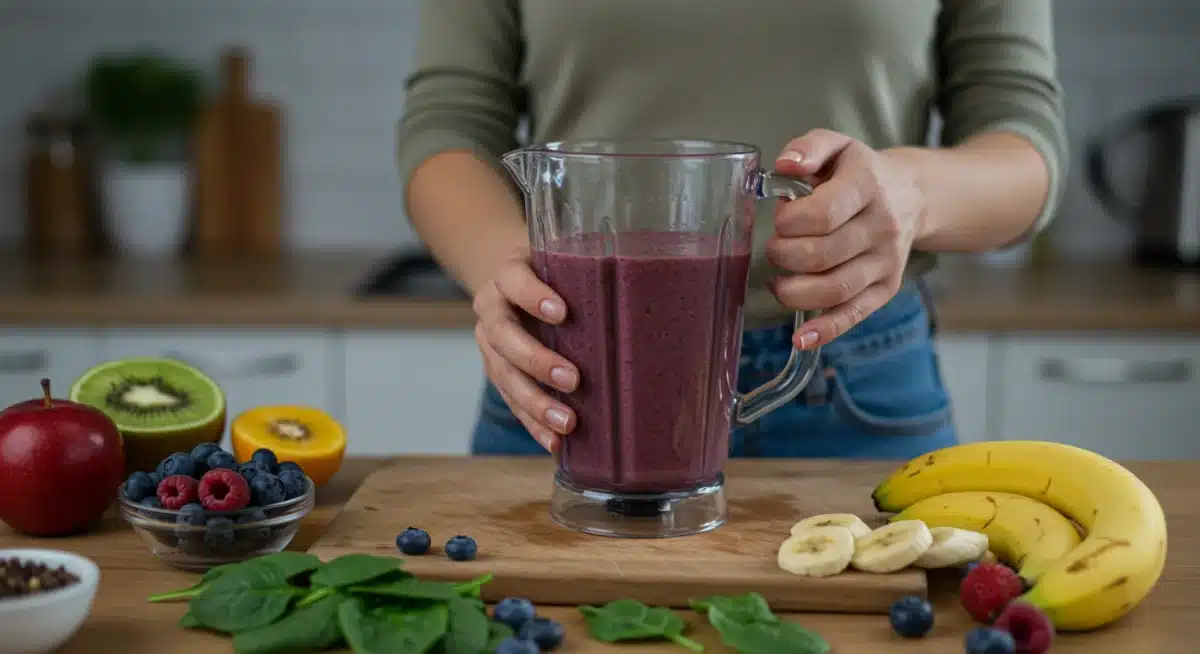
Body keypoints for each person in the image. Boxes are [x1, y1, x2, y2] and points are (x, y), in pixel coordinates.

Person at [396, 1, 1066, 459]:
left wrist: (911, 193)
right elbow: (449, 123)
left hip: (858, 386)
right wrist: (504, 270)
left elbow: (1025, 139)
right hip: (574, 380)